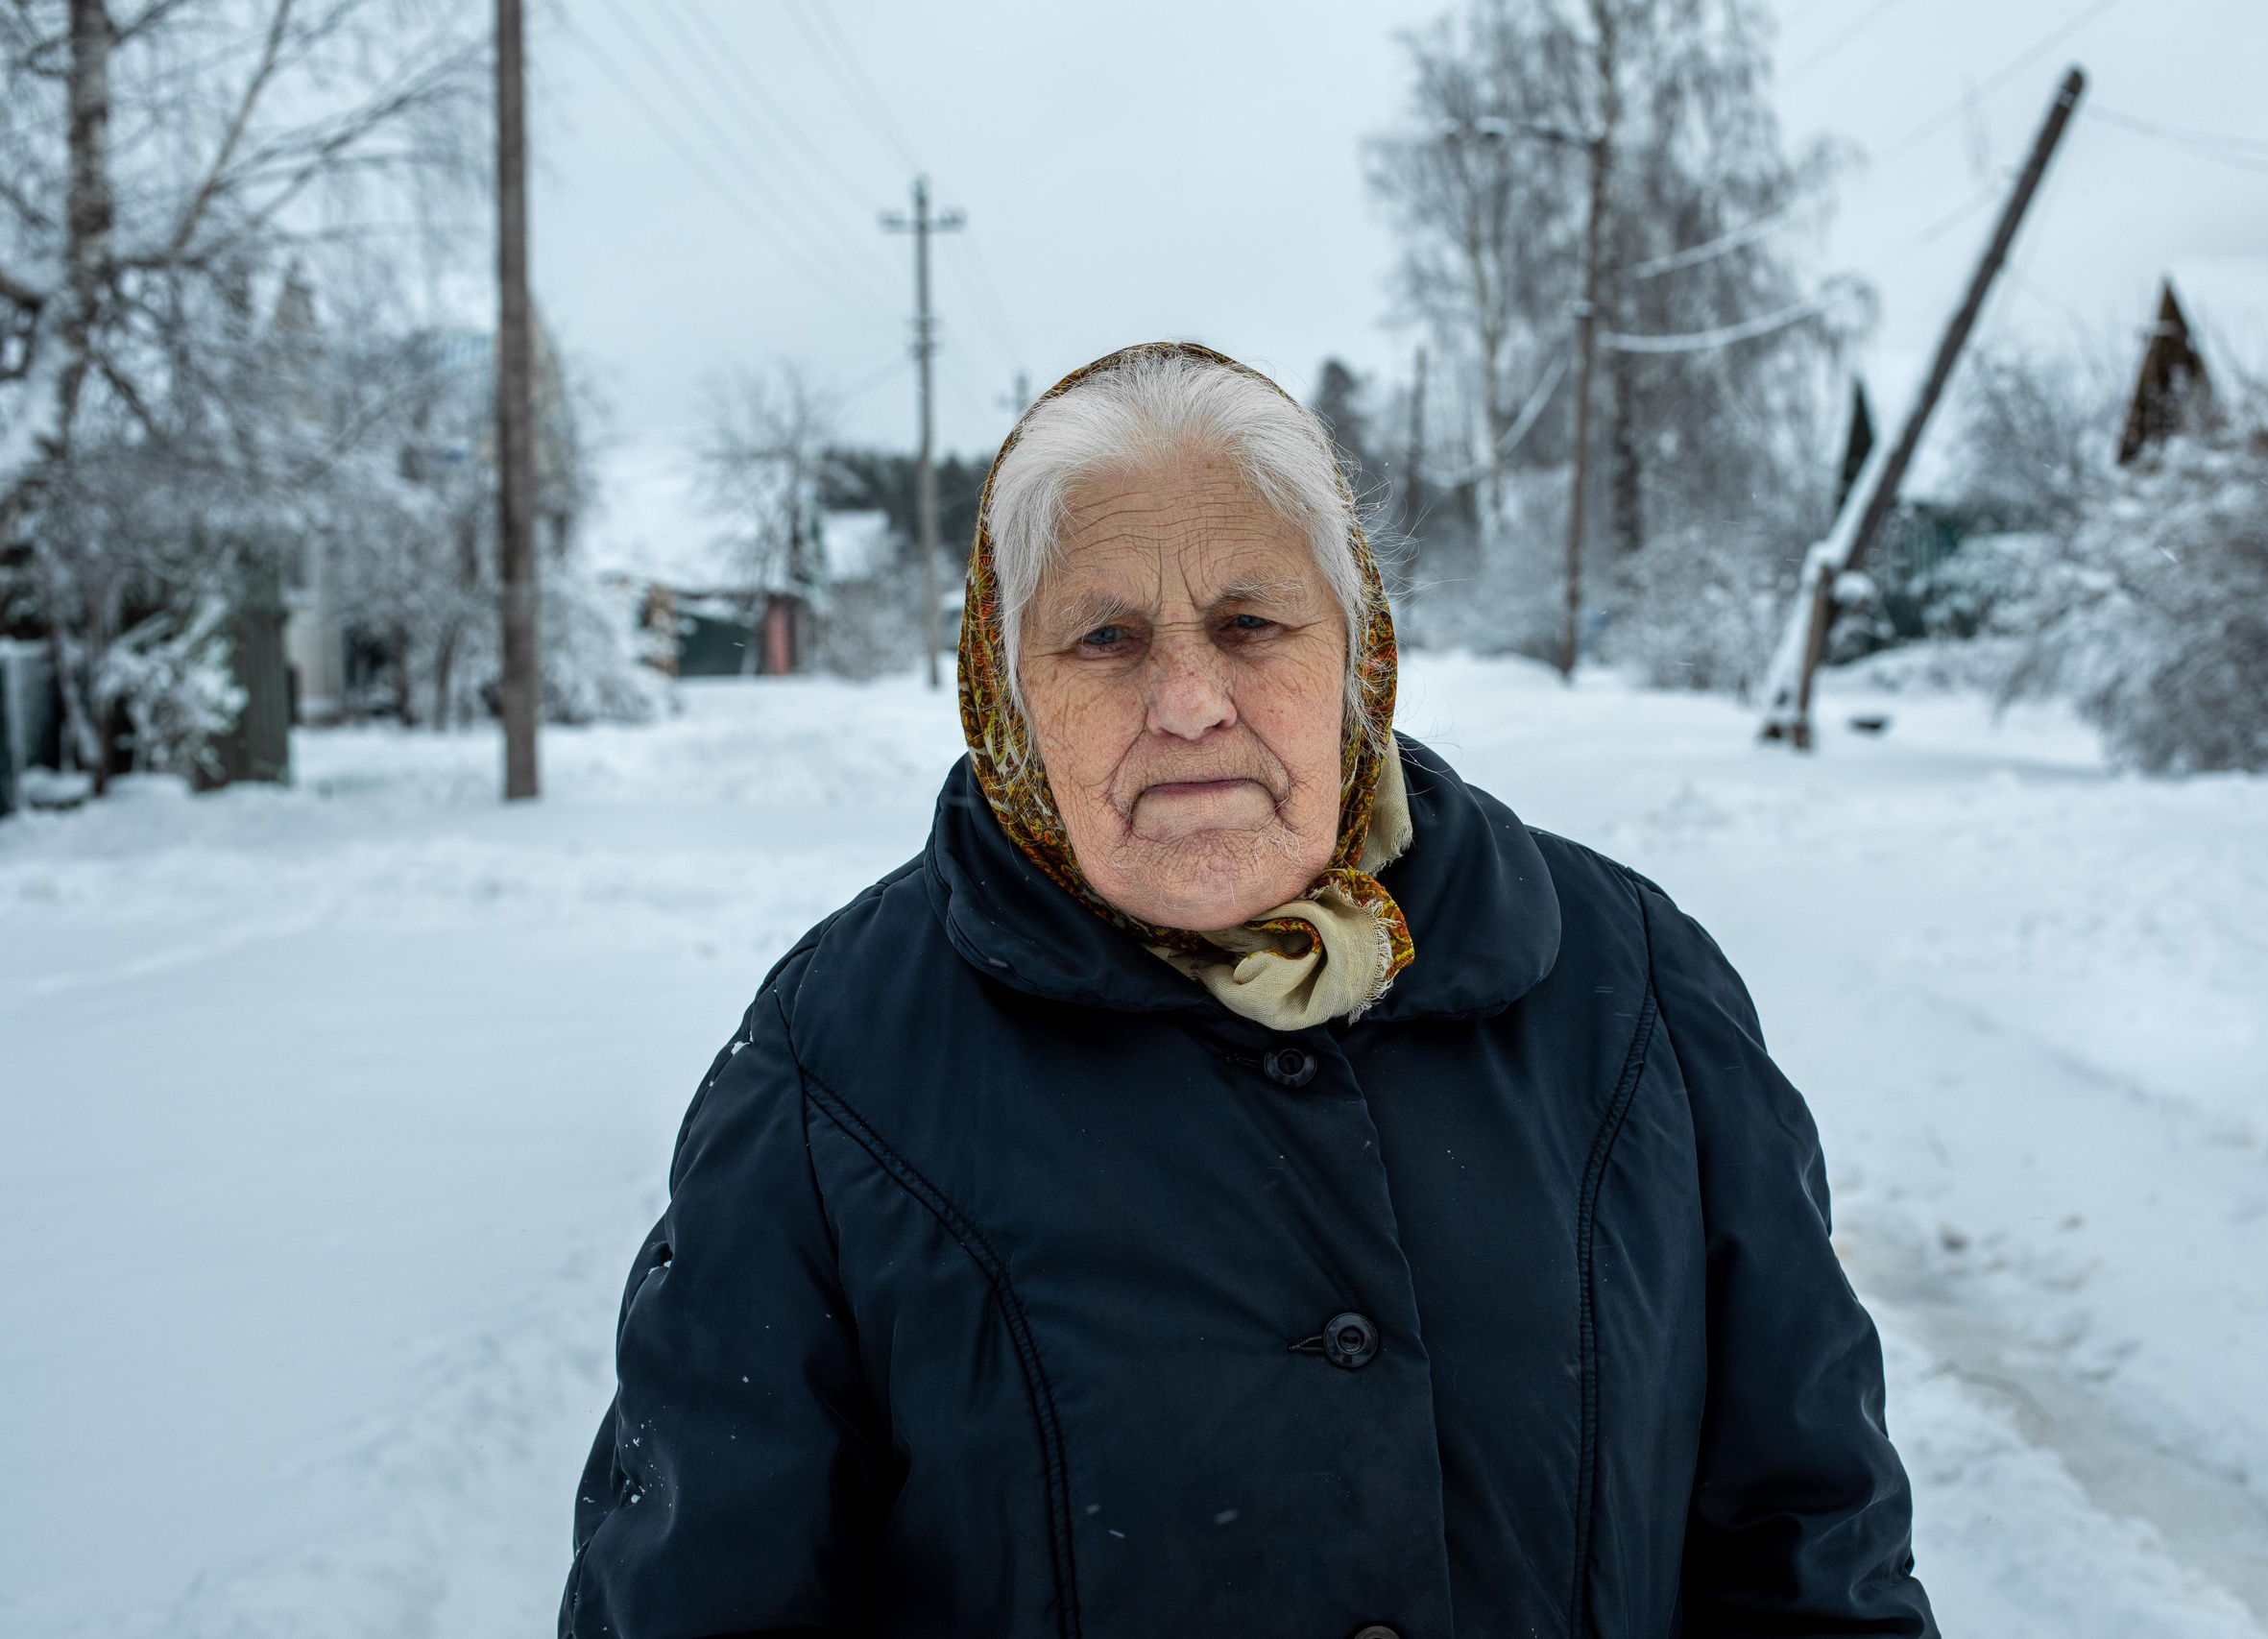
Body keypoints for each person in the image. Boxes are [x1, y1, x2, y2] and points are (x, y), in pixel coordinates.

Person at [562, 342, 1937, 1639]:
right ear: (1004, 687)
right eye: (1103, 637)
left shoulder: (1629, 986)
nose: (1189, 700)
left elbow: (1811, 1545)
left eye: (1252, 621)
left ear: (1356, 654)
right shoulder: (836, 1066)